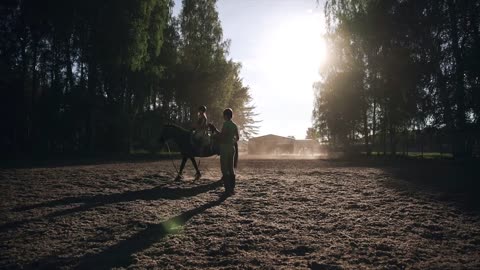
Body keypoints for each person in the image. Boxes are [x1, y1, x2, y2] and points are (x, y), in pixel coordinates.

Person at [211, 108, 239, 195]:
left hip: (224, 149)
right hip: (232, 148)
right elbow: (237, 138)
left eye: (224, 115)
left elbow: (222, 136)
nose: (223, 117)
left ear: (226, 115)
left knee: (224, 169)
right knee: (231, 169)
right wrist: (231, 141)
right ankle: (232, 189)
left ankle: (227, 190)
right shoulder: (234, 125)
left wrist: (215, 131)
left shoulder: (225, 124)